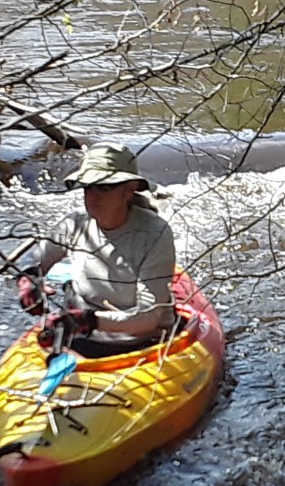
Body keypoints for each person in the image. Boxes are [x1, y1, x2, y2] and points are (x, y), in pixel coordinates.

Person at [16, 142, 177, 358]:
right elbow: (32, 263)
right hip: (81, 338)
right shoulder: (73, 226)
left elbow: (148, 317)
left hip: (142, 345)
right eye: (88, 187)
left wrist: (88, 321)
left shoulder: (155, 235)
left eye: (104, 187)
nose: (93, 196)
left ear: (129, 190)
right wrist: (29, 283)